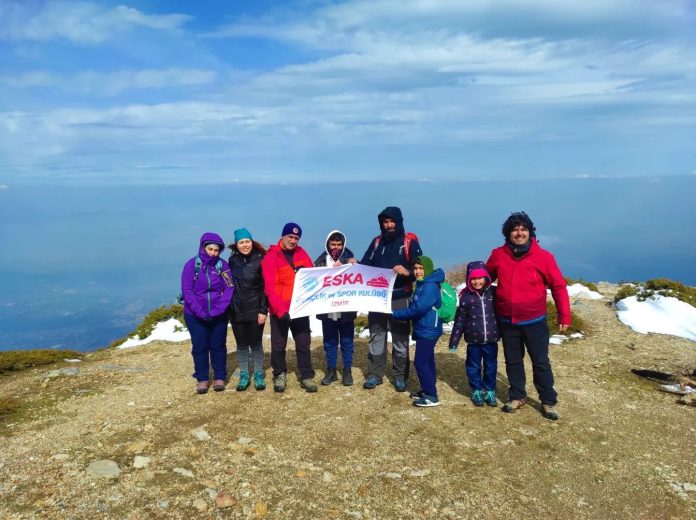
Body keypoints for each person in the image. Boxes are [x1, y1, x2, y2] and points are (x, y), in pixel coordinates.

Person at [486, 212, 570, 420]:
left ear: (530, 232)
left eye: (523, 229)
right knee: (513, 361)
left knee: (540, 362)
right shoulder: (498, 255)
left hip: (534, 321)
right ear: (508, 233)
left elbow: (558, 286)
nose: (519, 233)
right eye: (515, 229)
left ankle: (548, 401)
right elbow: (485, 279)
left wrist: (564, 316)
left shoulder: (544, 257)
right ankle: (517, 396)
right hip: (507, 320)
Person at [359, 207, 422, 392]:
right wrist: (353, 266)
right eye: (385, 222)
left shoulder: (409, 241)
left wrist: (408, 272)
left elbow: (420, 269)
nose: (389, 225)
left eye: (392, 221)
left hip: (401, 296)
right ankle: (374, 374)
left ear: (399, 221)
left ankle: (400, 376)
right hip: (377, 299)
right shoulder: (377, 242)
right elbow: (365, 265)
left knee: (400, 339)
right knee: (376, 337)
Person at [261, 222, 317, 393]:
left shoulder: (301, 253)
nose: (293, 241)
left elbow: (313, 276)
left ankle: (306, 375)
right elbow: (269, 287)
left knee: (303, 343)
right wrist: (280, 310)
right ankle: (279, 374)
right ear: (283, 236)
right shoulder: (271, 256)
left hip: (300, 308)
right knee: (278, 345)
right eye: (290, 237)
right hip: (280, 309)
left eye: (296, 238)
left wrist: (305, 272)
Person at [181, 232, 235, 394]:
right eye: (210, 249)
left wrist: (219, 310)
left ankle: (219, 377)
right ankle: (203, 379)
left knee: (218, 346)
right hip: (195, 315)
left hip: (218, 315)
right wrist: (200, 312)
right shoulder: (192, 265)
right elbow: (187, 291)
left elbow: (229, 288)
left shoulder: (222, 266)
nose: (213, 253)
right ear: (203, 247)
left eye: (216, 250)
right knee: (200, 346)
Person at [392, 256, 444, 407]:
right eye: (415, 268)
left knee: (420, 362)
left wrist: (394, 314)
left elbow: (417, 309)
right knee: (427, 360)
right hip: (425, 327)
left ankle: (431, 396)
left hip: (429, 329)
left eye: (421, 268)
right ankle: (428, 388)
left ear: (427, 268)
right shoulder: (422, 284)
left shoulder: (429, 286)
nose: (417, 271)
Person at [448, 261, 499, 407]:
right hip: (473, 341)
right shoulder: (466, 297)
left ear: (486, 278)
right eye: (473, 279)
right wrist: (454, 341)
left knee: (491, 366)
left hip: (491, 339)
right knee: (473, 366)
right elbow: (460, 320)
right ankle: (476, 390)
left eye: (480, 278)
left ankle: (489, 391)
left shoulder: (493, 293)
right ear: (469, 280)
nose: (477, 281)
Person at [314, 230, 358, 386]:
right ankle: (331, 371)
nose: (336, 247)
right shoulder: (320, 261)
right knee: (330, 342)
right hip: (327, 309)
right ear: (328, 244)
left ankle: (347, 371)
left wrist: (348, 266)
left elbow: (359, 279)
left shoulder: (351, 260)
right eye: (333, 244)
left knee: (347, 341)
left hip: (346, 309)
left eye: (339, 244)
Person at [228, 228, 268, 392]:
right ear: (236, 245)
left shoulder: (261, 260)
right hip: (236, 310)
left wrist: (263, 310)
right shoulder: (232, 262)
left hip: (255, 310)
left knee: (256, 344)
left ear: (252, 242)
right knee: (242, 345)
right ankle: (244, 374)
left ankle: (258, 374)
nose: (245, 245)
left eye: (247, 241)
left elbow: (265, 288)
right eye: (241, 242)